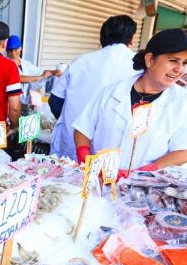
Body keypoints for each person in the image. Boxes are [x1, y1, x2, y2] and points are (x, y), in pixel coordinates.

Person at [72, 29, 187, 176]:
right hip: (99, 182)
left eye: (184, 63)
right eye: (173, 60)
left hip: (146, 188)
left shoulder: (184, 102)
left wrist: (141, 173)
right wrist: (86, 159)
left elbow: (186, 152)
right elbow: (82, 129)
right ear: (149, 60)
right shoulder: (112, 91)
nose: (179, 69)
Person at [49, 15, 138, 160]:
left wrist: (69, 121)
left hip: (72, 140)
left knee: (66, 179)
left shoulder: (81, 61)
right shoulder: (137, 66)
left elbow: (55, 101)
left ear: (102, 37)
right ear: (132, 39)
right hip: (112, 147)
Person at [6, 35, 61, 107]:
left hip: (25, 103)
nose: (13, 53)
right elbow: (19, 78)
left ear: (20, 48)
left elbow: (41, 71)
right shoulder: (4, 64)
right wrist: (41, 77)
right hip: (10, 104)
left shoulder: (25, 64)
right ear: (6, 50)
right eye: (10, 50)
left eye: (15, 49)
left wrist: (53, 72)